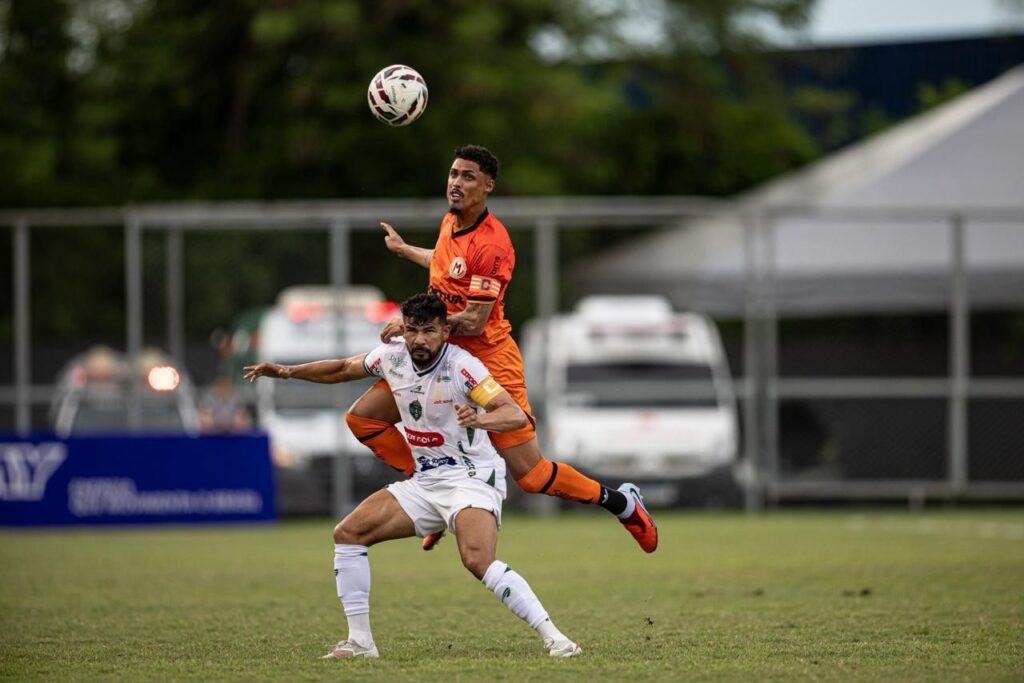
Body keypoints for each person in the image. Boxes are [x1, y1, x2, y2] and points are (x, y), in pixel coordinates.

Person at [344, 144, 658, 553]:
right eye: (454, 174)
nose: (456, 183)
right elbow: (445, 263)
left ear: (488, 185)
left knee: (531, 474)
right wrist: (407, 251)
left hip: (489, 357)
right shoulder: (450, 222)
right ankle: (430, 485)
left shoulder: (493, 243)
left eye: (468, 176)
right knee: (363, 420)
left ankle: (622, 504)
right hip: (438, 355)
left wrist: (411, 326)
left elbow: (474, 320)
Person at [244, 293, 588, 658]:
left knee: (476, 558)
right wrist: (286, 371)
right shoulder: (392, 356)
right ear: (403, 330)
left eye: (428, 331)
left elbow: (513, 414)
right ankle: (360, 643)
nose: (419, 339)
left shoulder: (463, 366)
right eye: (411, 330)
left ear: (444, 330)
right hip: (426, 480)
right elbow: (343, 369)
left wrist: (481, 418)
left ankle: (557, 639)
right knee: (348, 534)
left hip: (470, 476)